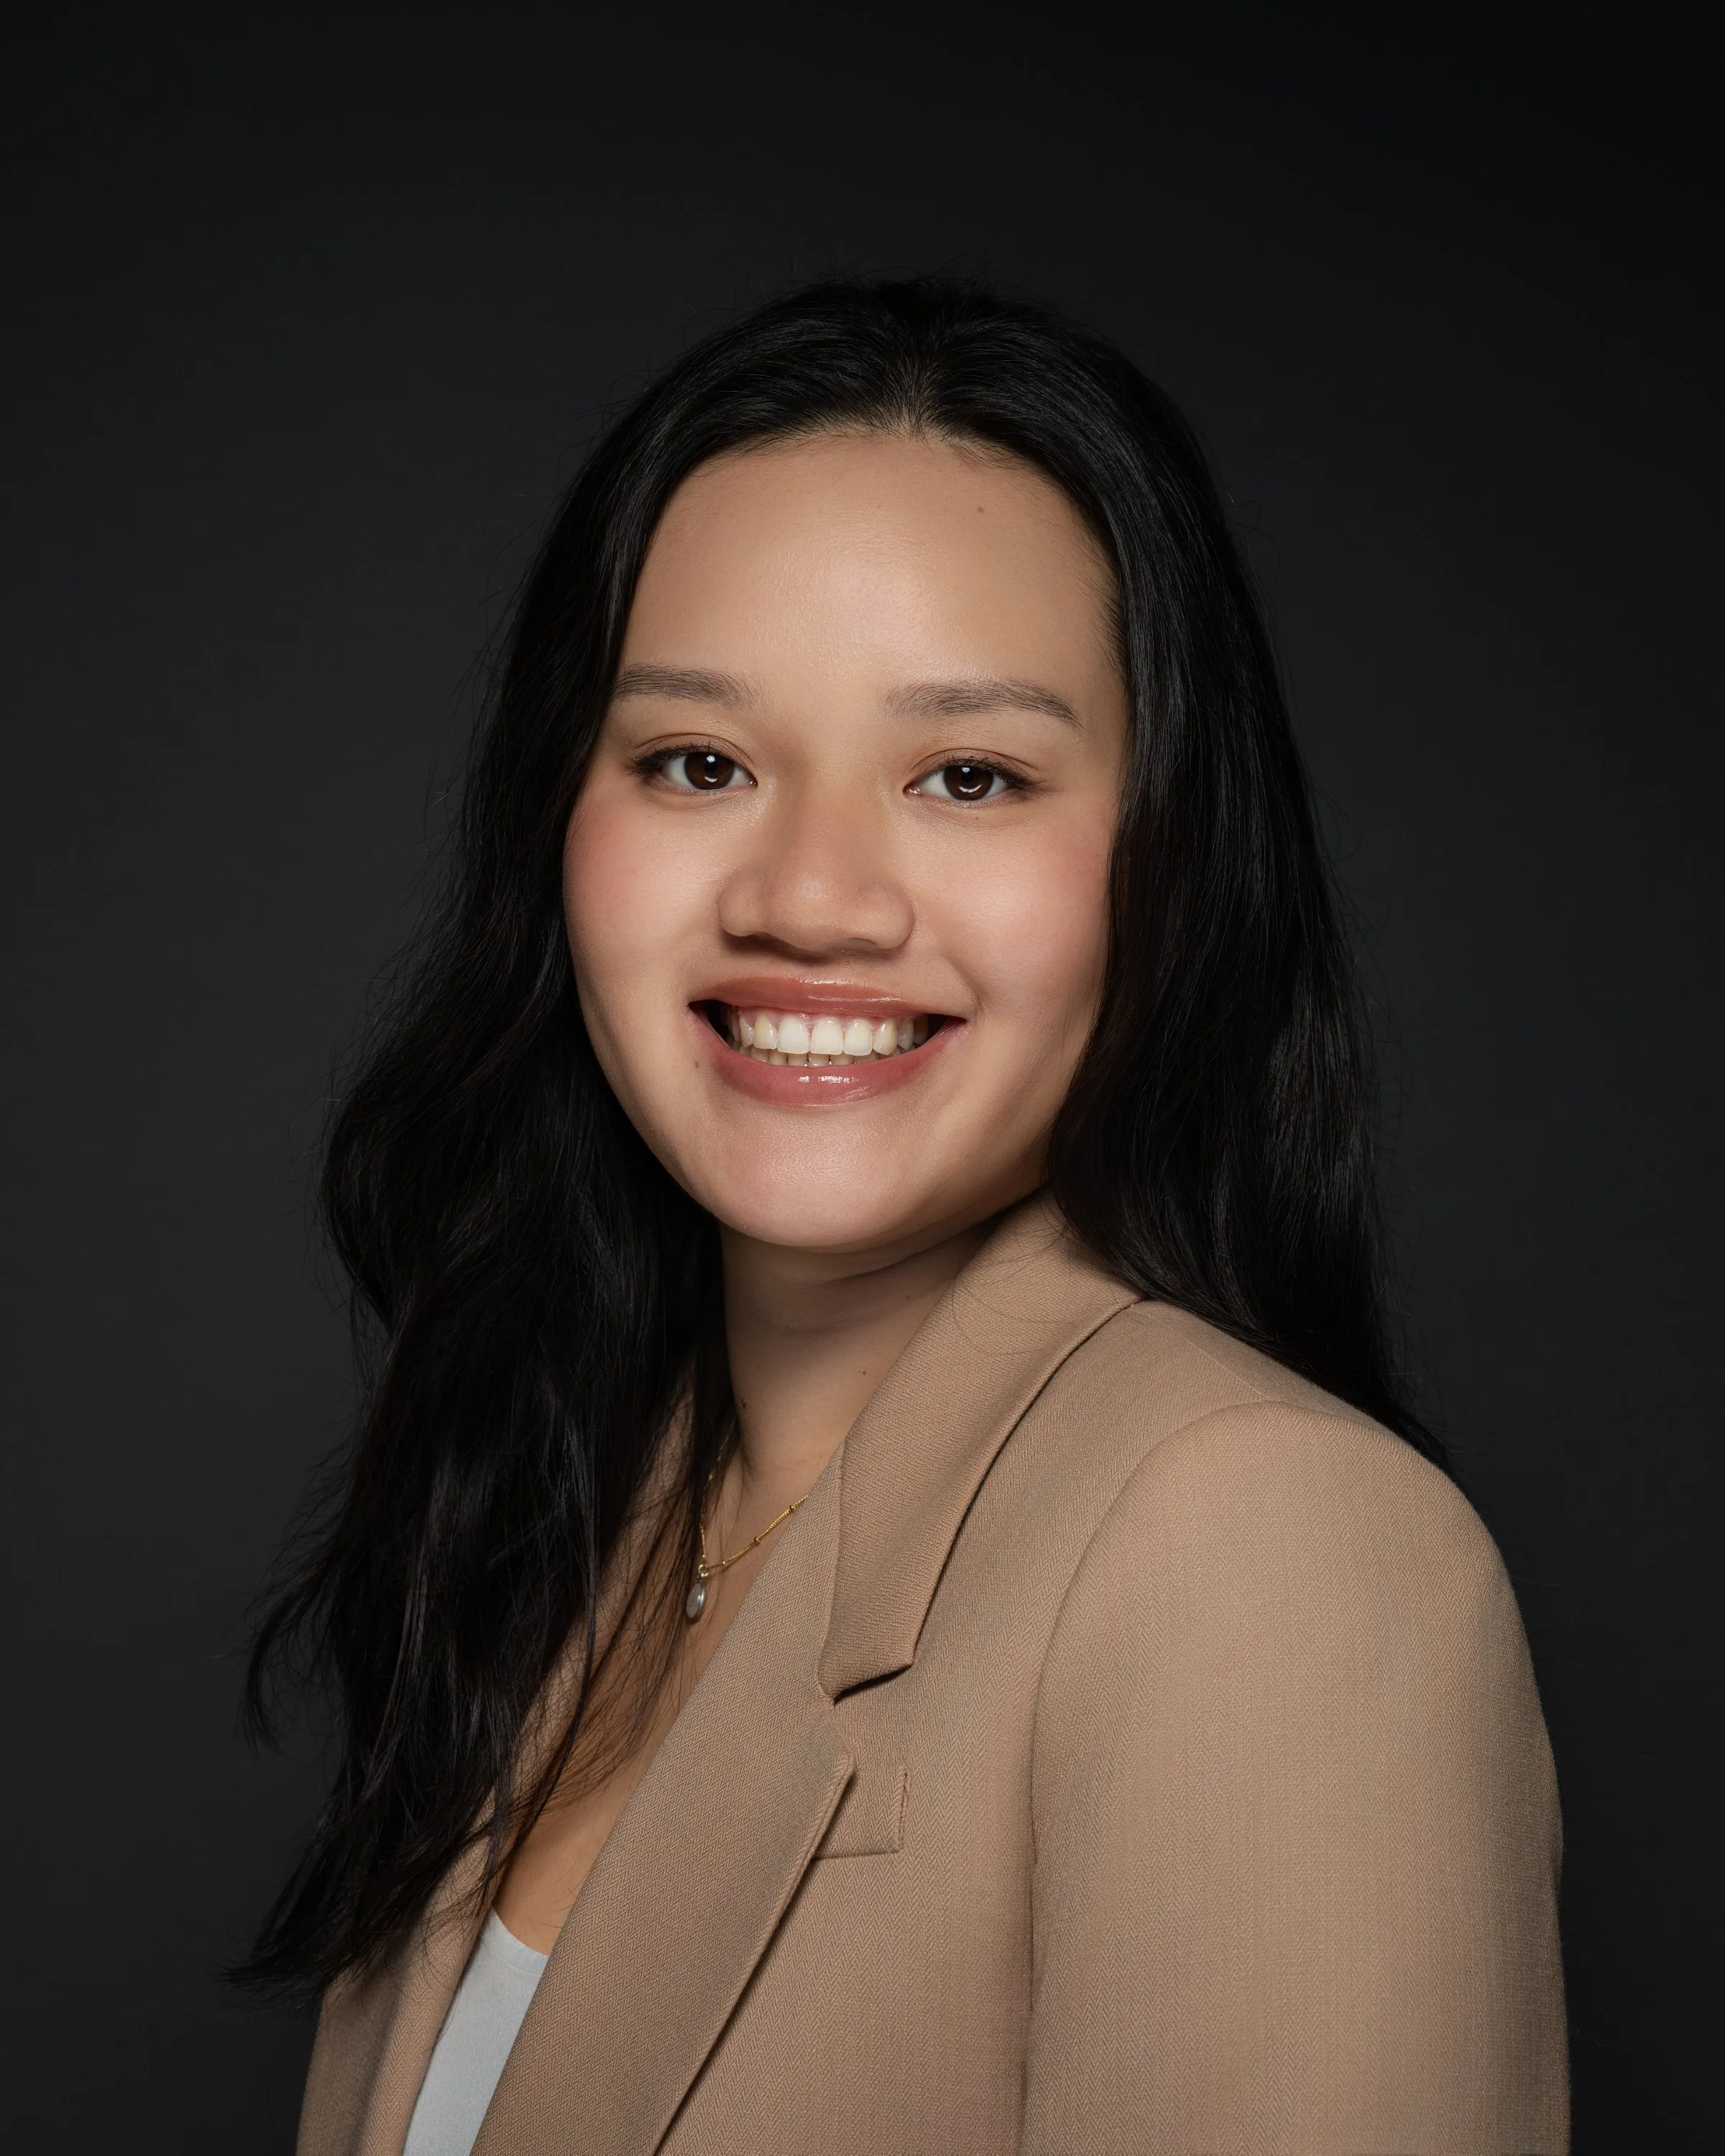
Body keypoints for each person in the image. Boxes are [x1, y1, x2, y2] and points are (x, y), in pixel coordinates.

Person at [249, 277, 1568, 2154]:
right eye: (699, 762)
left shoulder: (1267, 1552)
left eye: (968, 776)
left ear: (1171, 861)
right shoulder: (571, 1523)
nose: (810, 896)